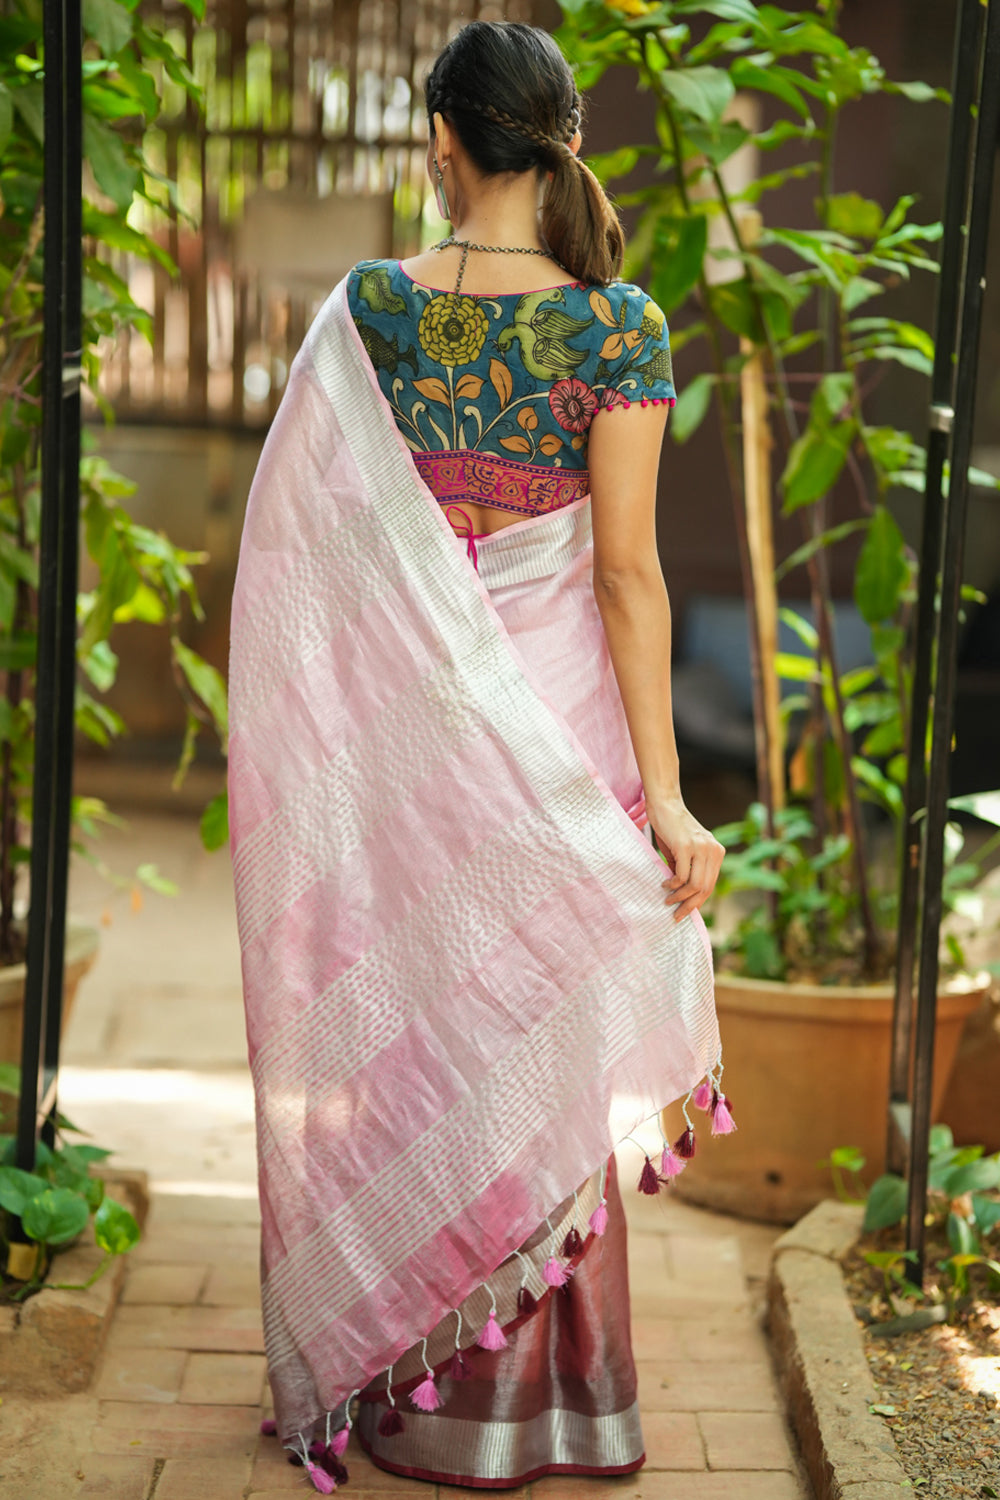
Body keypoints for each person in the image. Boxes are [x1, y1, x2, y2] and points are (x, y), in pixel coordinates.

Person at [228, 20, 727, 1495]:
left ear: (445, 143)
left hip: (410, 733)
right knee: (542, 1034)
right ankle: (549, 1403)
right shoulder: (619, 327)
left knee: (431, 1031)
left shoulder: (375, 311)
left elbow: (310, 551)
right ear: (557, 138)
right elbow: (628, 577)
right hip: (563, 723)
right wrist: (673, 794)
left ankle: (412, 1377)